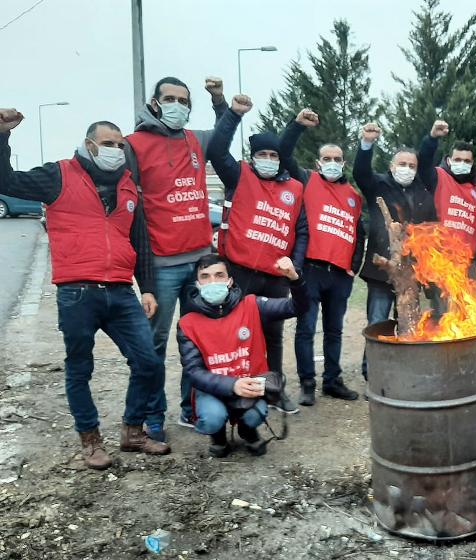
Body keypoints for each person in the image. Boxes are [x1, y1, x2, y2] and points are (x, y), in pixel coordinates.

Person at [0, 108, 170, 469]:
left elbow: (139, 240)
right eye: (108, 143)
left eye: (120, 144)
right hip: (77, 291)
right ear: (90, 144)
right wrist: (2, 135)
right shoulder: (58, 175)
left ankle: (133, 430)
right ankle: (90, 440)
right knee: (80, 368)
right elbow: (6, 181)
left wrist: (149, 289)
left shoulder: (127, 185)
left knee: (148, 362)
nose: (115, 149)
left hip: (122, 292)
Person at [123, 76, 229, 440]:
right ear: (154, 103)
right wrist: (142, 275)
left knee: (197, 341)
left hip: (200, 261)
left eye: (183, 100)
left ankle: (191, 408)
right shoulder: (133, 145)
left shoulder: (195, 140)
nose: (177, 105)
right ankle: (153, 417)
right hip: (162, 264)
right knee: (153, 344)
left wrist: (218, 99)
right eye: (169, 98)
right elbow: (128, 202)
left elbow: (225, 131)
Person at [204, 94, 306, 414]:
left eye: (273, 155)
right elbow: (216, 151)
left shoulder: (295, 189)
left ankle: (274, 391)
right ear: (253, 156)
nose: (267, 159)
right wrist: (233, 114)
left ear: (280, 159)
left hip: (276, 276)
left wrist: (296, 269)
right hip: (242, 271)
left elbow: (301, 232)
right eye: (261, 154)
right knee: (237, 334)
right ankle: (239, 393)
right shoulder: (240, 176)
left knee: (274, 336)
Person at [177, 254, 308, 458]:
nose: (213, 282)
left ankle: (247, 430)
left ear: (230, 281)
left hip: (251, 387)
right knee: (212, 417)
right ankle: (217, 434)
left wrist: (294, 278)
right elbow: (193, 372)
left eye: (219, 275)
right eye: (205, 276)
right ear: (197, 283)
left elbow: (297, 307)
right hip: (213, 389)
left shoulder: (252, 305)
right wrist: (232, 385)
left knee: (256, 414)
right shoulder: (187, 323)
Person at [278, 108, 366, 405]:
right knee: (305, 329)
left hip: (340, 275)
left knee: (334, 330)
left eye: (337, 159)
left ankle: (332, 381)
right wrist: (297, 126)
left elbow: (359, 232)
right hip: (310, 271)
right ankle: (307, 383)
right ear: (318, 162)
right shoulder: (306, 179)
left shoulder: (354, 196)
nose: (332, 163)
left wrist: (354, 266)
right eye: (326, 159)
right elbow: (284, 153)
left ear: (344, 163)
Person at [353, 122, 438, 379]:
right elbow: (360, 172)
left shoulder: (422, 192)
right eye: (402, 164)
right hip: (382, 272)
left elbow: (430, 232)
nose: (407, 169)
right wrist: (366, 144)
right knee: (378, 323)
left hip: (412, 274)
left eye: (411, 165)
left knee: (408, 322)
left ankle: (403, 374)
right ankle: (374, 373)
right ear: (391, 166)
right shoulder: (378, 184)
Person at [417, 120, 476, 276]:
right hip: (442, 258)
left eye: (467, 161)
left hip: (469, 262)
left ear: (472, 163)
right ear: (449, 161)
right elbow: (423, 165)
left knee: (470, 301)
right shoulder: (439, 177)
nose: (462, 163)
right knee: (442, 301)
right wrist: (432, 138)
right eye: (458, 160)